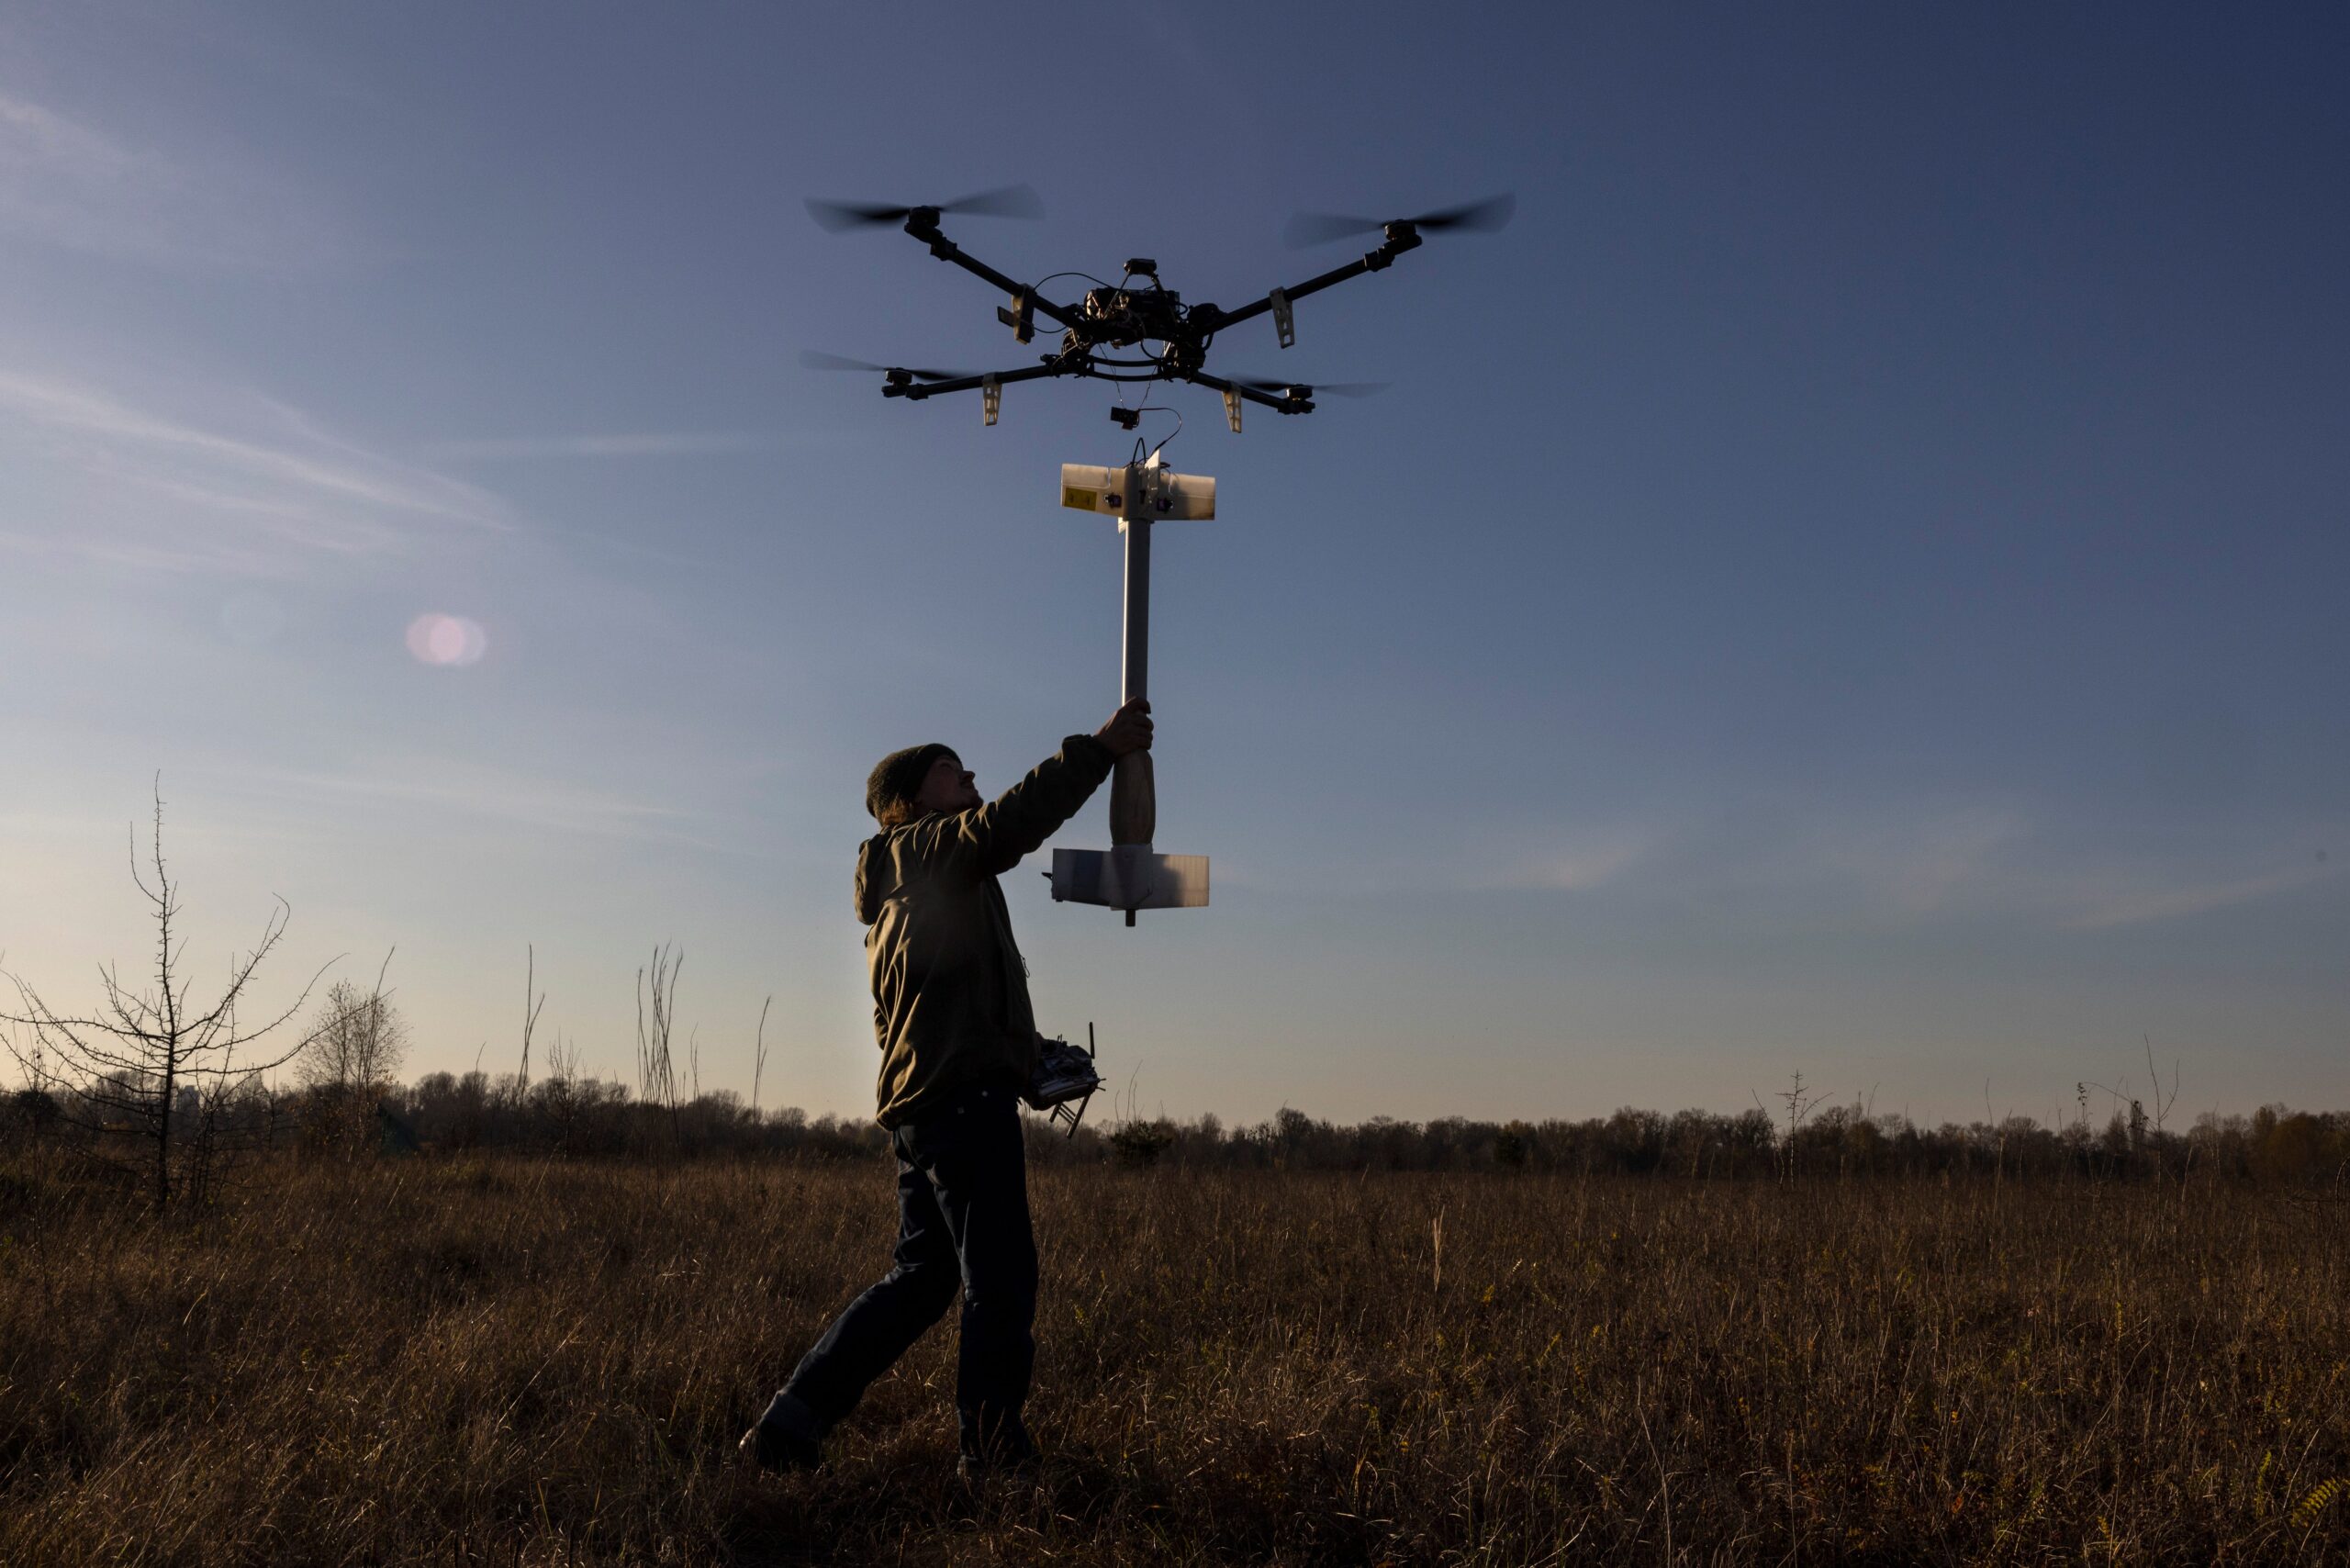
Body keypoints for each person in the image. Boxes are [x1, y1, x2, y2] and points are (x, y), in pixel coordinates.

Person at [741, 697, 1154, 1478]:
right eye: (946, 770)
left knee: (922, 1279)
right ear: (906, 801)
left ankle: (789, 1425)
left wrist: (1022, 1053)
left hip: (926, 1107)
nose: (967, 777)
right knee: (999, 1280)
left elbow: (942, 999)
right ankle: (993, 1455)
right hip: (960, 1107)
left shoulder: (907, 881)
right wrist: (1100, 751)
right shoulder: (930, 850)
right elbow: (1009, 822)